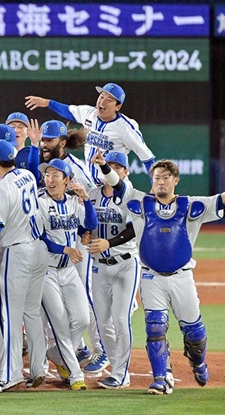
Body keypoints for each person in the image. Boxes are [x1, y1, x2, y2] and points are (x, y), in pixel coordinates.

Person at [92, 153, 225, 394]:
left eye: (166, 177)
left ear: (175, 180)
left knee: (194, 333)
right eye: (157, 178)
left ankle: (198, 362)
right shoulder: (140, 202)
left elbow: (220, 201)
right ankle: (160, 378)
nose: (160, 182)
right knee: (155, 327)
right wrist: (104, 165)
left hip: (182, 277)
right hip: (151, 276)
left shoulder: (190, 205)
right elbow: (118, 185)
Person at [0, 140, 49, 390]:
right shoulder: (26, 175)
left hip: (18, 252)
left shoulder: (0, 188)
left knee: (10, 315)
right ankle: (39, 368)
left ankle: (11, 373)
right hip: (39, 250)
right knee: (32, 313)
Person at [37, 158, 98, 391]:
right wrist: (65, 249)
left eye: (55, 175)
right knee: (60, 323)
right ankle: (75, 375)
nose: (50, 180)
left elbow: (90, 224)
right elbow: (40, 237)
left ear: (67, 180)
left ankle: (57, 354)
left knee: (82, 318)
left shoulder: (73, 202)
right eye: (47, 175)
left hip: (68, 270)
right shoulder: (40, 203)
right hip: (47, 270)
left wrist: (86, 200)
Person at [25, 82, 155, 186]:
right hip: (94, 186)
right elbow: (68, 111)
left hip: (115, 186)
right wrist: (47, 103)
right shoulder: (89, 113)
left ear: (118, 107)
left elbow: (148, 159)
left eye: (109, 100)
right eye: (101, 96)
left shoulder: (126, 128)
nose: (102, 102)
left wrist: (154, 188)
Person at [85, 151, 139, 389]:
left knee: (120, 319)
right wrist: (85, 234)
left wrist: (109, 243)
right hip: (99, 266)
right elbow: (87, 224)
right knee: (103, 322)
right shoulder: (93, 195)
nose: (113, 171)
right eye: (110, 166)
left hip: (125, 264)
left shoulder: (130, 195)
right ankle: (117, 369)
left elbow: (133, 229)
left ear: (126, 172)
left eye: (118, 167)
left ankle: (121, 374)